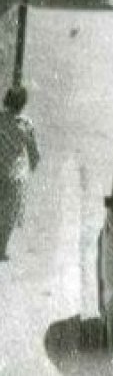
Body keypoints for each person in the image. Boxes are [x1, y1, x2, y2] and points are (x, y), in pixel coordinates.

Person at [0, 87, 39, 261]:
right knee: (8, 215)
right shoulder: (25, 124)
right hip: (15, 175)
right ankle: (1, 249)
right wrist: (34, 163)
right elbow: (33, 151)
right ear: (23, 104)